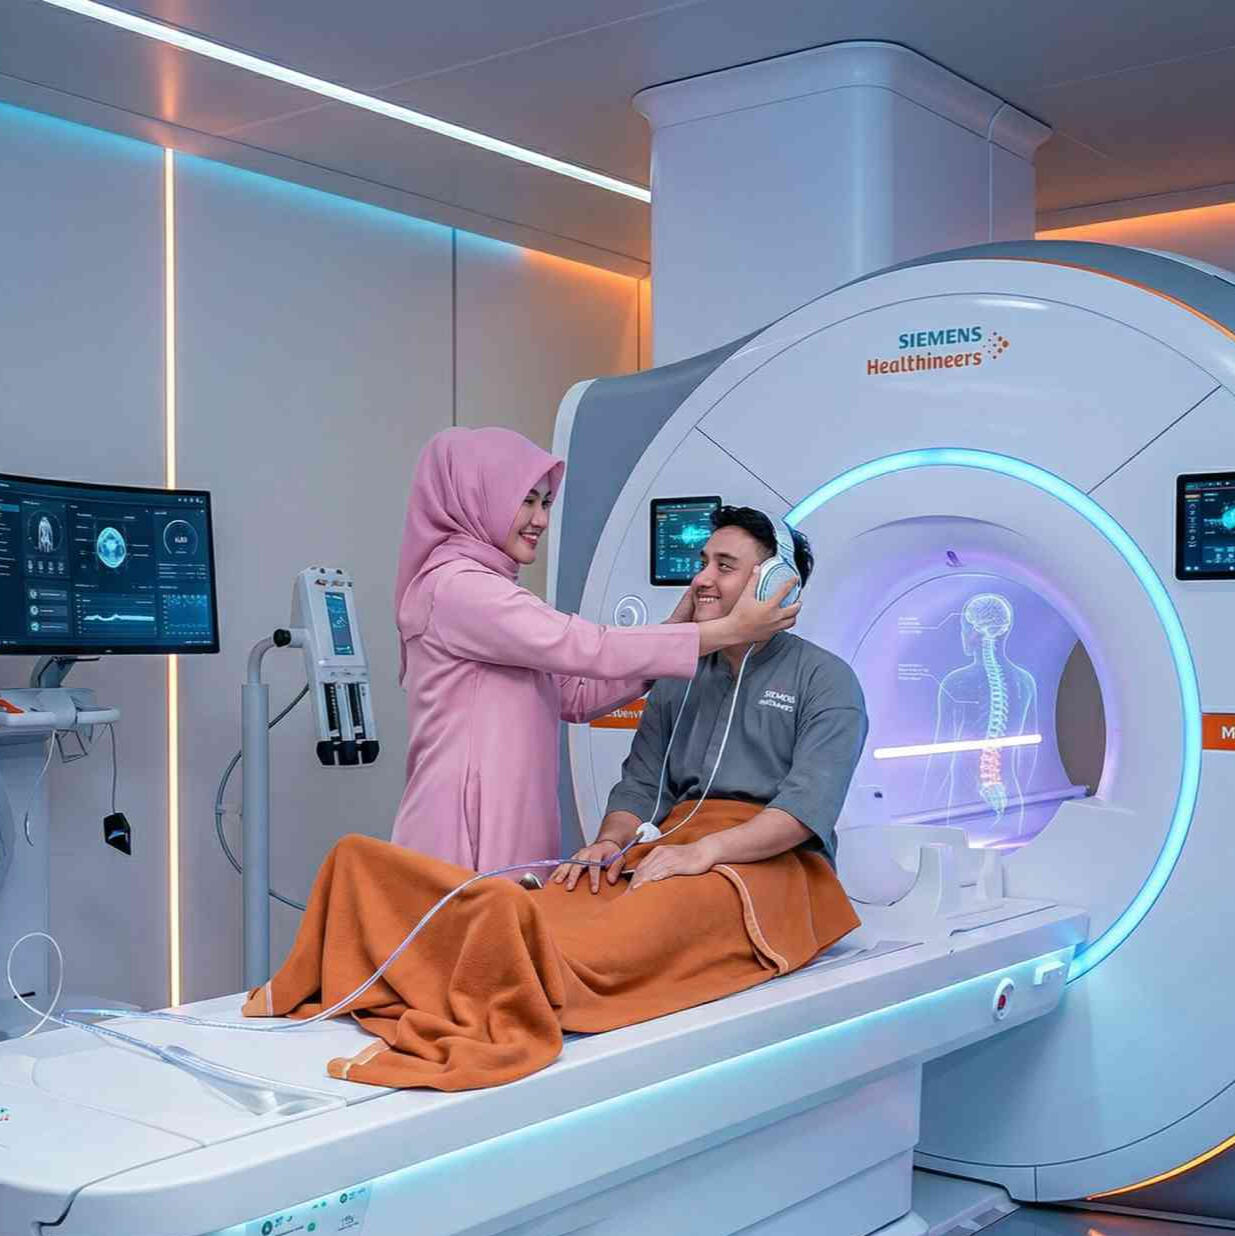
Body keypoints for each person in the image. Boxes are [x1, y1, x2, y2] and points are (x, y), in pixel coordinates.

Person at [390, 429, 799, 871]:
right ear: (478, 496)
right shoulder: (458, 587)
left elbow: (575, 695)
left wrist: (676, 634)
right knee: (474, 912)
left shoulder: (493, 588)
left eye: (546, 503)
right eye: (527, 501)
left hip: (509, 805)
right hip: (463, 816)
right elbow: (585, 645)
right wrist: (726, 631)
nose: (540, 519)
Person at [553, 505, 867, 894]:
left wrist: (705, 851)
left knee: (650, 915)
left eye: (724, 566)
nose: (701, 579)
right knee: (568, 901)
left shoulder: (827, 680)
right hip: (680, 845)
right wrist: (611, 841)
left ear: (776, 584)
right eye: (703, 564)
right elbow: (642, 785)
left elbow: (805, 809)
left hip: (778, 860)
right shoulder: (678, 675)